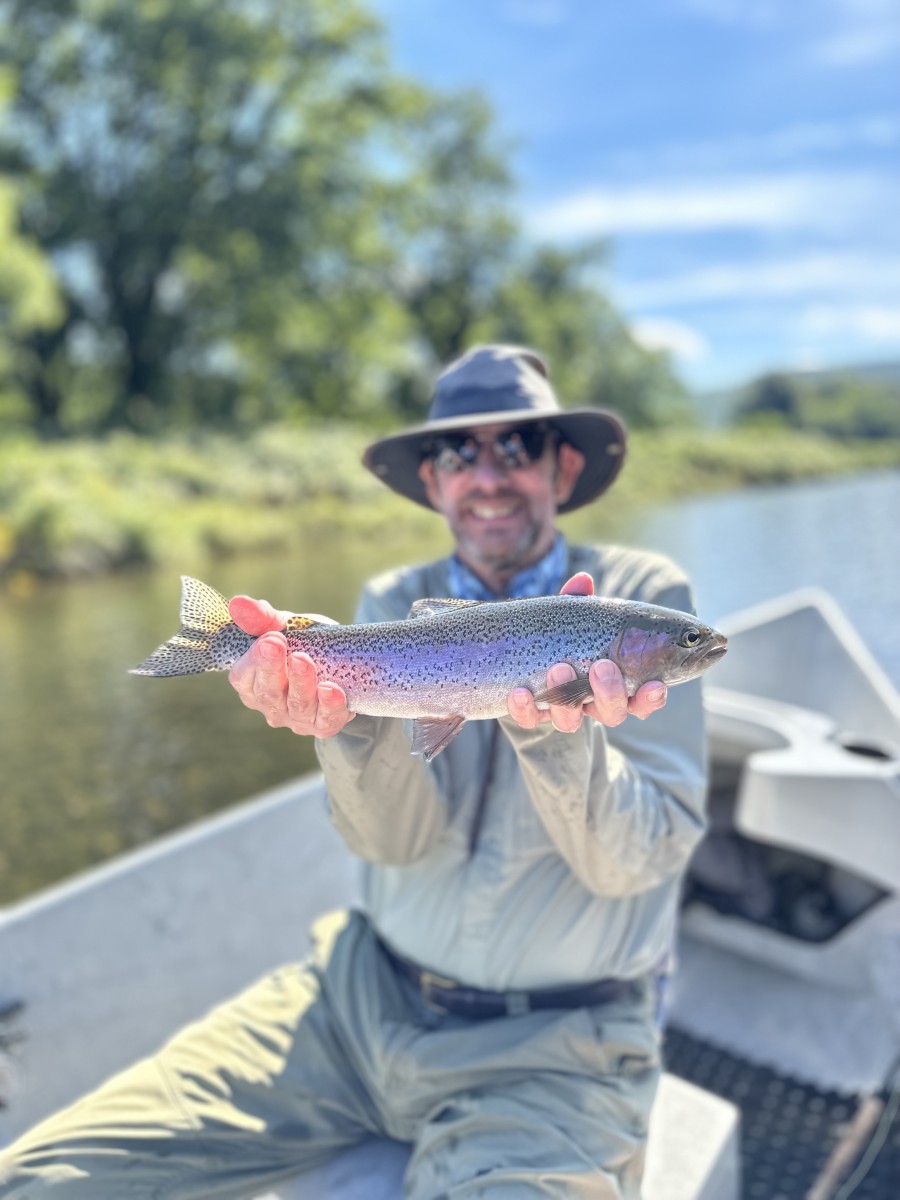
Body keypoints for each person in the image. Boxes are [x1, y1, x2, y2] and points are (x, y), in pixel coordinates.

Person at [0, 345, 708, 1199]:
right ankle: (213, 637)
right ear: (432, 481)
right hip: (352, 1007)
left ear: (562, 464)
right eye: (458, 453)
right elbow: (393, 846)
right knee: (39, 1183)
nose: (487, 475)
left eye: (516, 447)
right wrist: (344, 726)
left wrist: (558, 732)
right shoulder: (387, 602)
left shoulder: (642, 590)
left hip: (560, 1057)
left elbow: (637, 861)